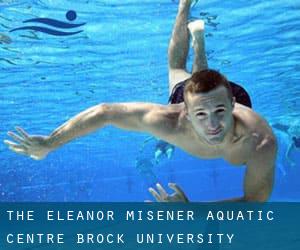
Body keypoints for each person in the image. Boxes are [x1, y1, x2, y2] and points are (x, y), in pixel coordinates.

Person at [4, 0, 277, 202]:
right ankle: (185, 6)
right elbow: (105, 112)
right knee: (177, 71)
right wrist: (50, 142)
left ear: (232, 105)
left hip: (224, 98)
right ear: (184, 110)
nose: (214, 124)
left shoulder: (260, 140)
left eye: (220, 111)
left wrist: (192, 211)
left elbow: (255, 202)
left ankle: (199, 43)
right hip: (202, 96)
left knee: (186, 75)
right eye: (201, 115)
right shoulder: (170, 120)